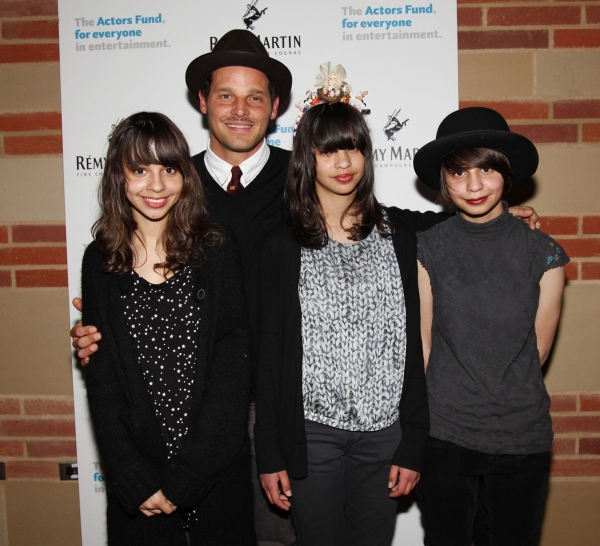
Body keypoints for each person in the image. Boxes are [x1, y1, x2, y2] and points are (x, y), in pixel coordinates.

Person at [69, 30, 540, 546]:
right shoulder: (174, 186)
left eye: (255, 97)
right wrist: (101, 333)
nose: (240, 109)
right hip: (203, 406)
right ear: (203, 102)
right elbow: (126, 283)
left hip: (284, 404)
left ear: (275, 108)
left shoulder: (304, 184)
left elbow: (423, 228)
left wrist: (497, 218)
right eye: (226, 94)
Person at [255, 66, 432, 546]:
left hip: (385, 436)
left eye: (352, 146)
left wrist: (508, 214)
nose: (342, 160)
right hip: (312, 437)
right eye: (328, 149)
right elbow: (270, 358)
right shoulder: (281, 246)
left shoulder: (402, 234)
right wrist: (269, 453)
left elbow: (467, 223)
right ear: (307, 159)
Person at [80, 112, 255, 544]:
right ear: (118, 177)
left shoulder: (216, 247)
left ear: (185, 175)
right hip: (139, 484)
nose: (155, 185)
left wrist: (188, 478)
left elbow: (232, 371)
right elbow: (102, 383)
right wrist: (132, 477)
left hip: (213, 475)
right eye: (139, 169)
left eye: (168, 168)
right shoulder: (99, 259)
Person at [413, 107, 569, 546]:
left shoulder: (544, 253)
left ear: (507, 173)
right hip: (444, 435)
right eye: (459, 173)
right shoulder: (428, 248)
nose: (474, 184)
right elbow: (423, 347)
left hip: (521, 437)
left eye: (487, 169)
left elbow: (535, 351)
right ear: (444, 181)